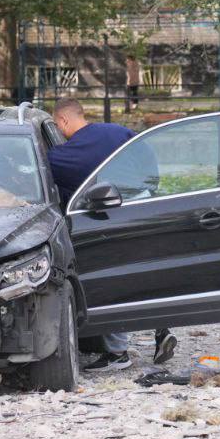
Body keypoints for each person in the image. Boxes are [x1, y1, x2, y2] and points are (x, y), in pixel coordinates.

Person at [47, 97, 177, 370]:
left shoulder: (68, 153)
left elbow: (49, 177)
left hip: (111, 218)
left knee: (110, 279)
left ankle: (118, 353)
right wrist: (148, 189)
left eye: (59, 127)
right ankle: (161, 328)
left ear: (63, 121)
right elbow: (147, 155)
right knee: (145, 273)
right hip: (143, 207)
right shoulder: (118, 131)